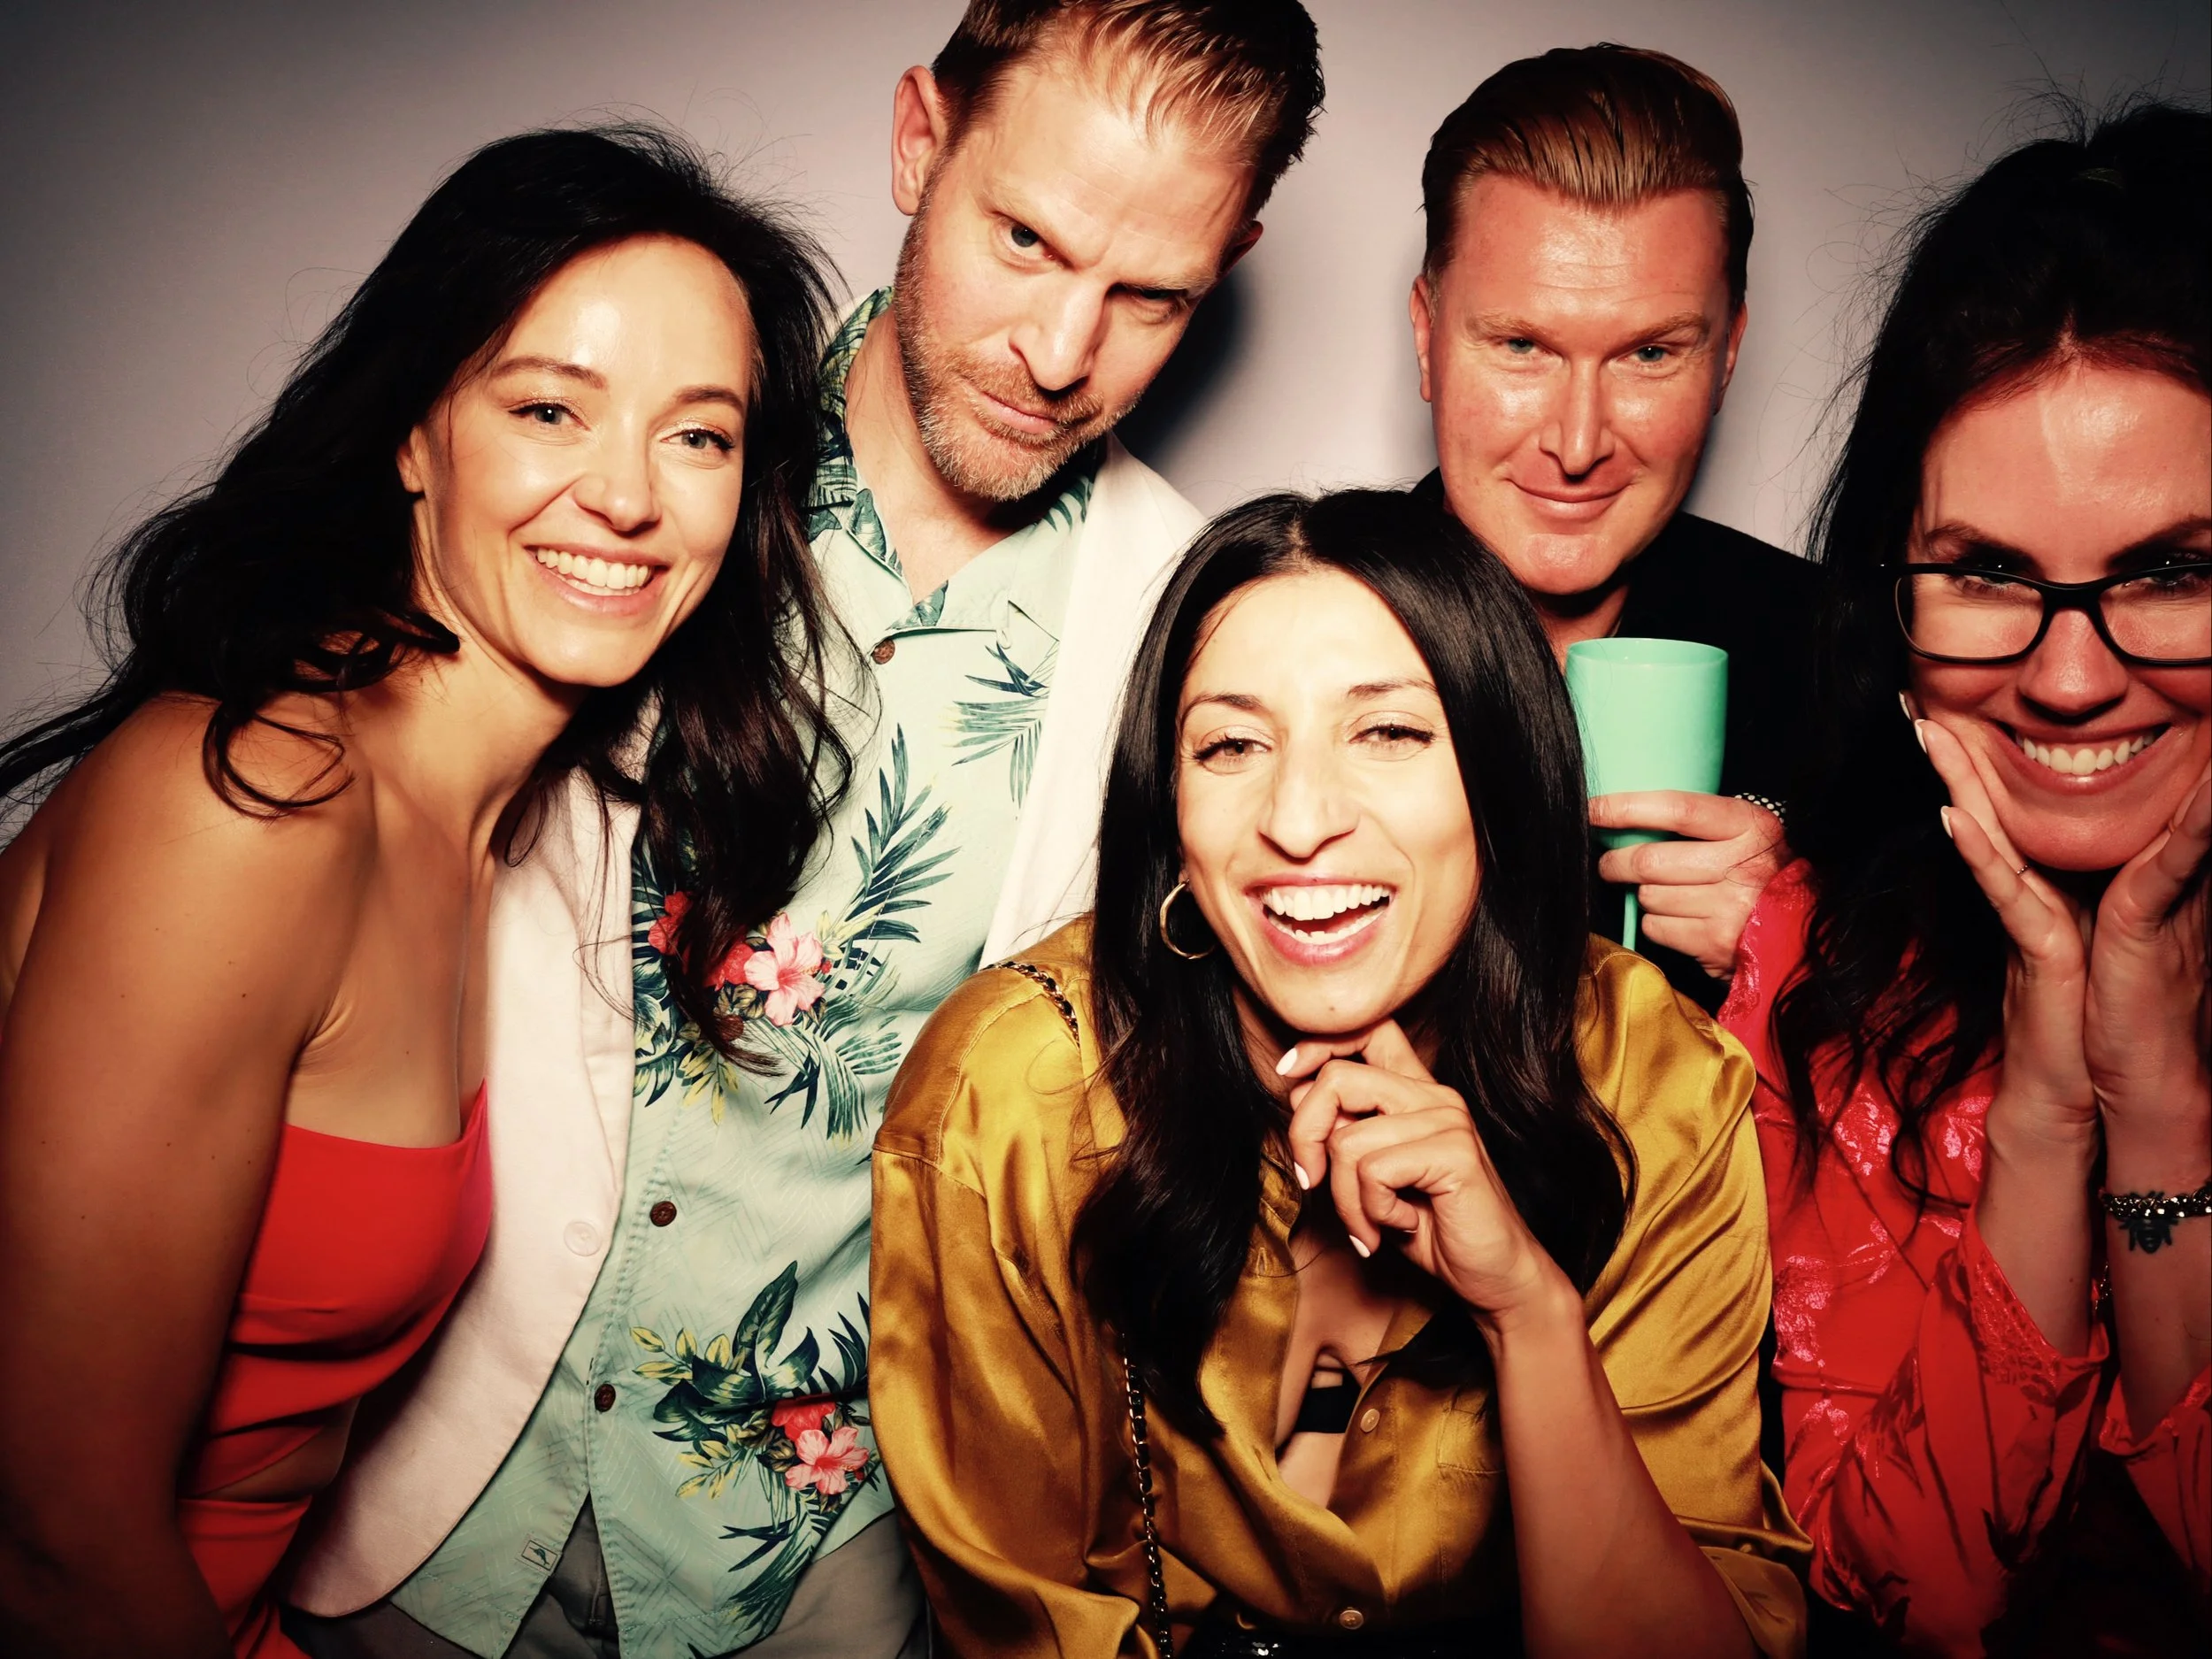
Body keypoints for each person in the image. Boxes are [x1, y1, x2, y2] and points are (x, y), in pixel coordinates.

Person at [285, 5, 1326, 1656]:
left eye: (1151, 297)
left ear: (1234, 257)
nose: (1062, 348)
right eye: (1024, 240)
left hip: (818, 1571)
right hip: (428, 1490)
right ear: (919, 137)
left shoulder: (1194, 626)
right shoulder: (642, 462)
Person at [0, 126, 844, 1659]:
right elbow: (52, 1538)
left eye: (699, 436)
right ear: (414, 434)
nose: (628, 498)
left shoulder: (503, 830)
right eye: (547, 409)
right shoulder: (252, 802)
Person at [871, 488, 1808, 1656]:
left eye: (1390, 732)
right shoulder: (1006, 1093)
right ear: (1171, 809)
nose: (1300, 818)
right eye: (1230, 745)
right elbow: (1017, 1618)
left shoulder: (1655, 1078)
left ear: (1500, 774)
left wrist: (1527, 1311)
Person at [1720, 103, 2210, 1654]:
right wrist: (2052, 1114)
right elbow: (1901, 1601)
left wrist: (2160, 1094)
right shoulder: (1808, 956)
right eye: (1991, 574)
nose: (2073, 676)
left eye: (2172, 572)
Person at [1408, 44, 1816, 1010]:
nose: (1579, 442)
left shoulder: (1851, 656)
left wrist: (1800, 946)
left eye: (1648, 353)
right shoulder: (1284, 634)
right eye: (1520, 346)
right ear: (1426, 337)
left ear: (1727, 356)